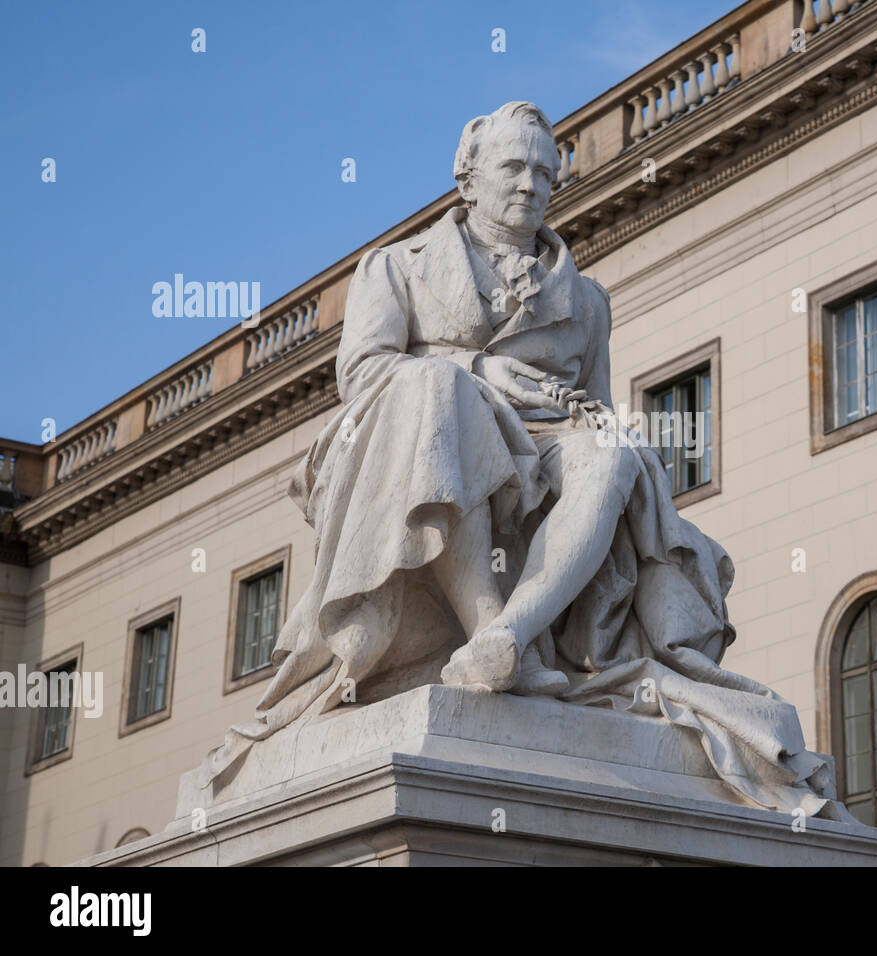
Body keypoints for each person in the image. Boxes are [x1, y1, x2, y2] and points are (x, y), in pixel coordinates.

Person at [202, 102, 841, 818]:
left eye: (544, 172)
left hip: (540, 453)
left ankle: (512, 637)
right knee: (439, 388)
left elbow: (595, 404)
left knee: (612, 453)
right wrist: (478, 371)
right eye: (512, 167)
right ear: (467, 178)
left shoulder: (587, 301)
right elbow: (363, 374)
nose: (530, 184)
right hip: (416, 441)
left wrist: (591, 422)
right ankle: (483, 625)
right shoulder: (395, 268)